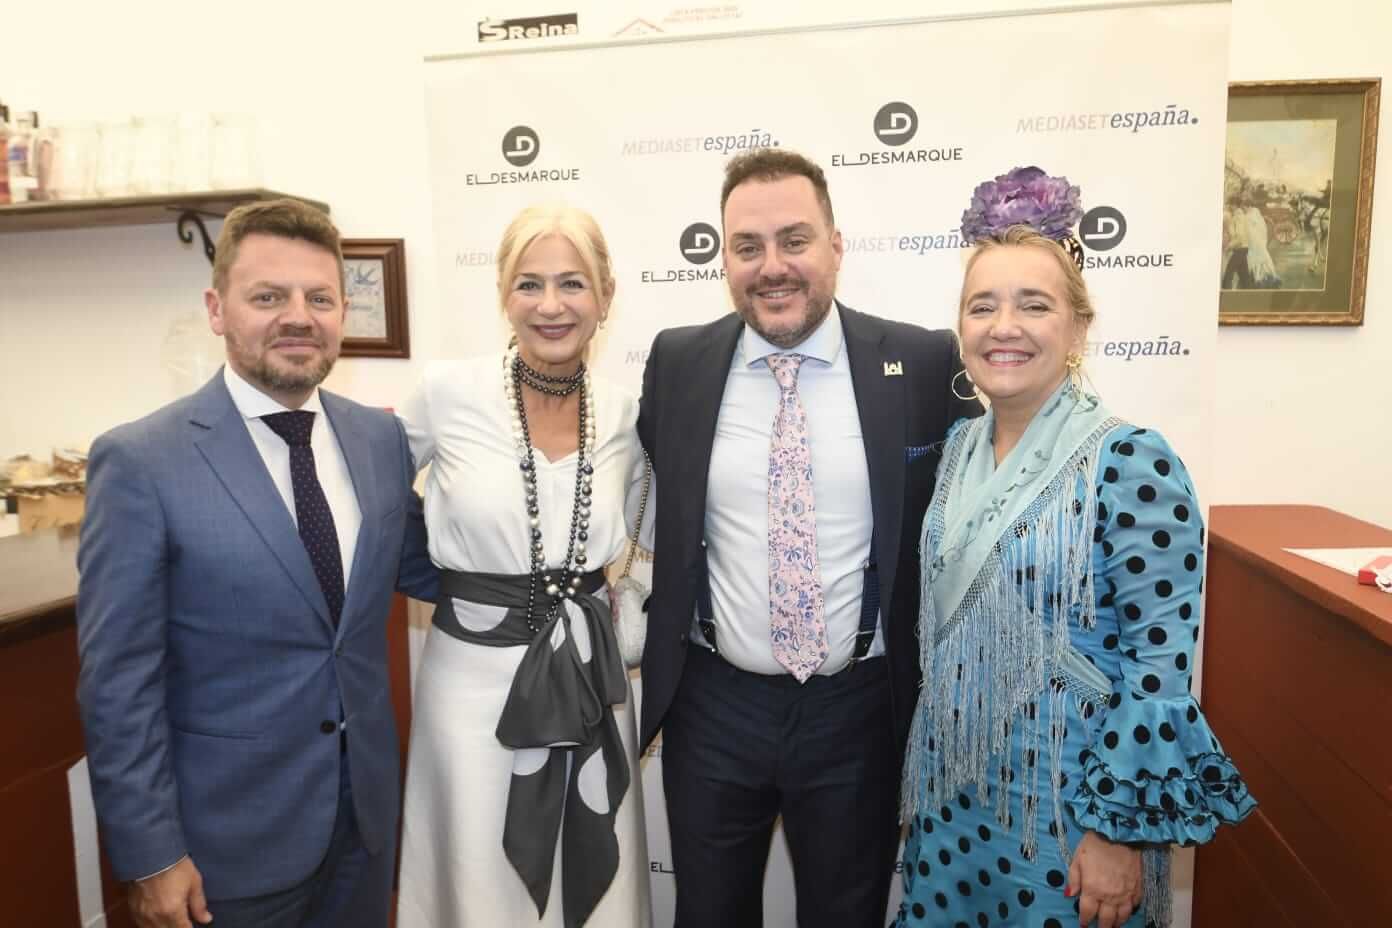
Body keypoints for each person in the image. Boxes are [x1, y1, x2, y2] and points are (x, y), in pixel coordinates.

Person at [895, 167, 1256, 928]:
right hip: (952, 803)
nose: (1005, 326)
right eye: (982, 306)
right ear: (961, 326)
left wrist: (1119, 832)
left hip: (1070, 816)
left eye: (1035, 305)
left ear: (1079, 328)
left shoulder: (1132, 462)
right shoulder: (958, 449)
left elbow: (1160, 672)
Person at [635, 148, 979, 927]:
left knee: (845, 915)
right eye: (747, 247)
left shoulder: (921, 361)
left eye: (795, 240)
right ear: (724, 256)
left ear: (836, 246)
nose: (772, 267)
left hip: (857, 709)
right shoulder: (678, 361)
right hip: (713, 703)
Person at [76, 198, 438, 928]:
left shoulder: (378, 440)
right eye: (268, 297)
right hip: (222, 856)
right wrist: (150, 854)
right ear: (217, 309)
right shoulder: (142, 461)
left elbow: (441, 570)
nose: (298, 317)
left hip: (363, 829)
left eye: (320, 298)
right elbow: (118, 682)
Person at [394, 204, 652, 928]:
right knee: (479, 877)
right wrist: (446, 583)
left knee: (591, 865)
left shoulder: (627, 413)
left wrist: (629, 609)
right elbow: (367, 493)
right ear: (503, 296)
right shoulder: (447, 395)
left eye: (571, 283)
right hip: (472, 686)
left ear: (604, 296)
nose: (549, 305)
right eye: (528, 284)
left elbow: (665, 528)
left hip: (589, 685)